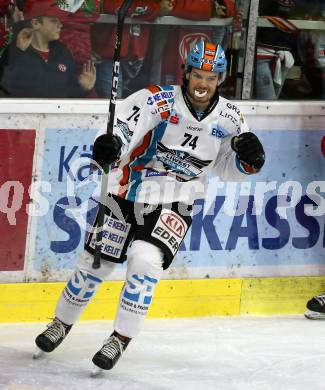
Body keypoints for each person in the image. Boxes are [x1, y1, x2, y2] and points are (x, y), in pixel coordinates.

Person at [34, 40, 265, 372]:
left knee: (144, 263)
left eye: (211, 78)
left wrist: (250, 160)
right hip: (126, 193)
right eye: (198, 75)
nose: (203, 84)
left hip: (178, 201)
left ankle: (119, 339)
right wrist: (111, 144)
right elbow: (125, 126)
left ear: (221, 80)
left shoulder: (231, 117)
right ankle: (60, 323)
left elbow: (231, 170)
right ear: (186, 74)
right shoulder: (159, 99)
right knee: (93, 266)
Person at [1, 2, 96, 98]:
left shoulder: (63, 52)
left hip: (57, 113)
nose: (60, 25)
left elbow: (68, 96)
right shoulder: (15, 51)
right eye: (54, 20)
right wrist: (18, 52)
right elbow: (4, 91)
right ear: (36, 23)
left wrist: (83, 89)